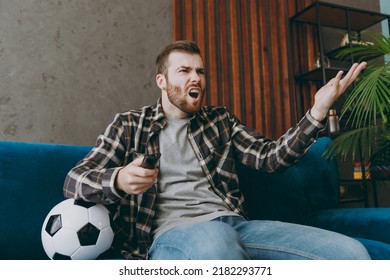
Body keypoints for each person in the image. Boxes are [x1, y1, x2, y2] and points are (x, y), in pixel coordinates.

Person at [64, 40, 369, 260]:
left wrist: (315, 113)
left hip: (236, 225)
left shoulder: (220, 121)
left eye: (200, 71)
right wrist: (117, 179)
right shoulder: (130, 125)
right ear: (162, 80)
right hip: (172, 235)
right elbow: (74, 181)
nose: (195, 77)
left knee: (351, 254)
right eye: (184, 71)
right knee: (217, 242)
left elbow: (271, 159)